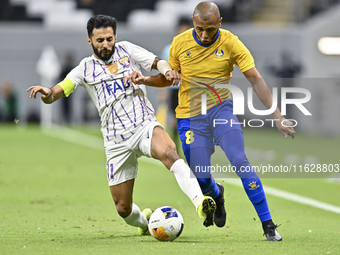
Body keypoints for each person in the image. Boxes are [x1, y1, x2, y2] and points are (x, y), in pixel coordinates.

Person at [27, 14, 217, 235]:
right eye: (100, 40)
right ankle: (147, 224)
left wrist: (166, 71)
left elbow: (157, 62)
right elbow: (57, 91)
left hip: (143, 125)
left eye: (109, 38)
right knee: (123, 208)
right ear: (90, 40)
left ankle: (200, 203)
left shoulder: (127, 50)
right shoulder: (84, 68)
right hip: (115, 140)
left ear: (115, 36)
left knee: (170, 153)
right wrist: (47, 93)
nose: (106, 44)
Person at [125, 2, 296, 241]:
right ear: (194, 23)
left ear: (220, 23)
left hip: (221, 112)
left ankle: (268, 225)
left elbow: (256, 79)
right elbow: (169, 79)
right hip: (190, 119)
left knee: (240, 161)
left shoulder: (231, 42)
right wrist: (146, 79)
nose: (204, 35)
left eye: (210, 29)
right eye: (199, 29)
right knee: (202, 179)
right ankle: (217, 194)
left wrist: (277, 115)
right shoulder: (180, 43)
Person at [160, 17, 192, 146]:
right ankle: (177, 146)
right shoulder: (169, 49)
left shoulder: (196, 49)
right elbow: (163, 72)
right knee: (176, 119)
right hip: (175, 89)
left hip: (191, 89)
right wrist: (162, 92)